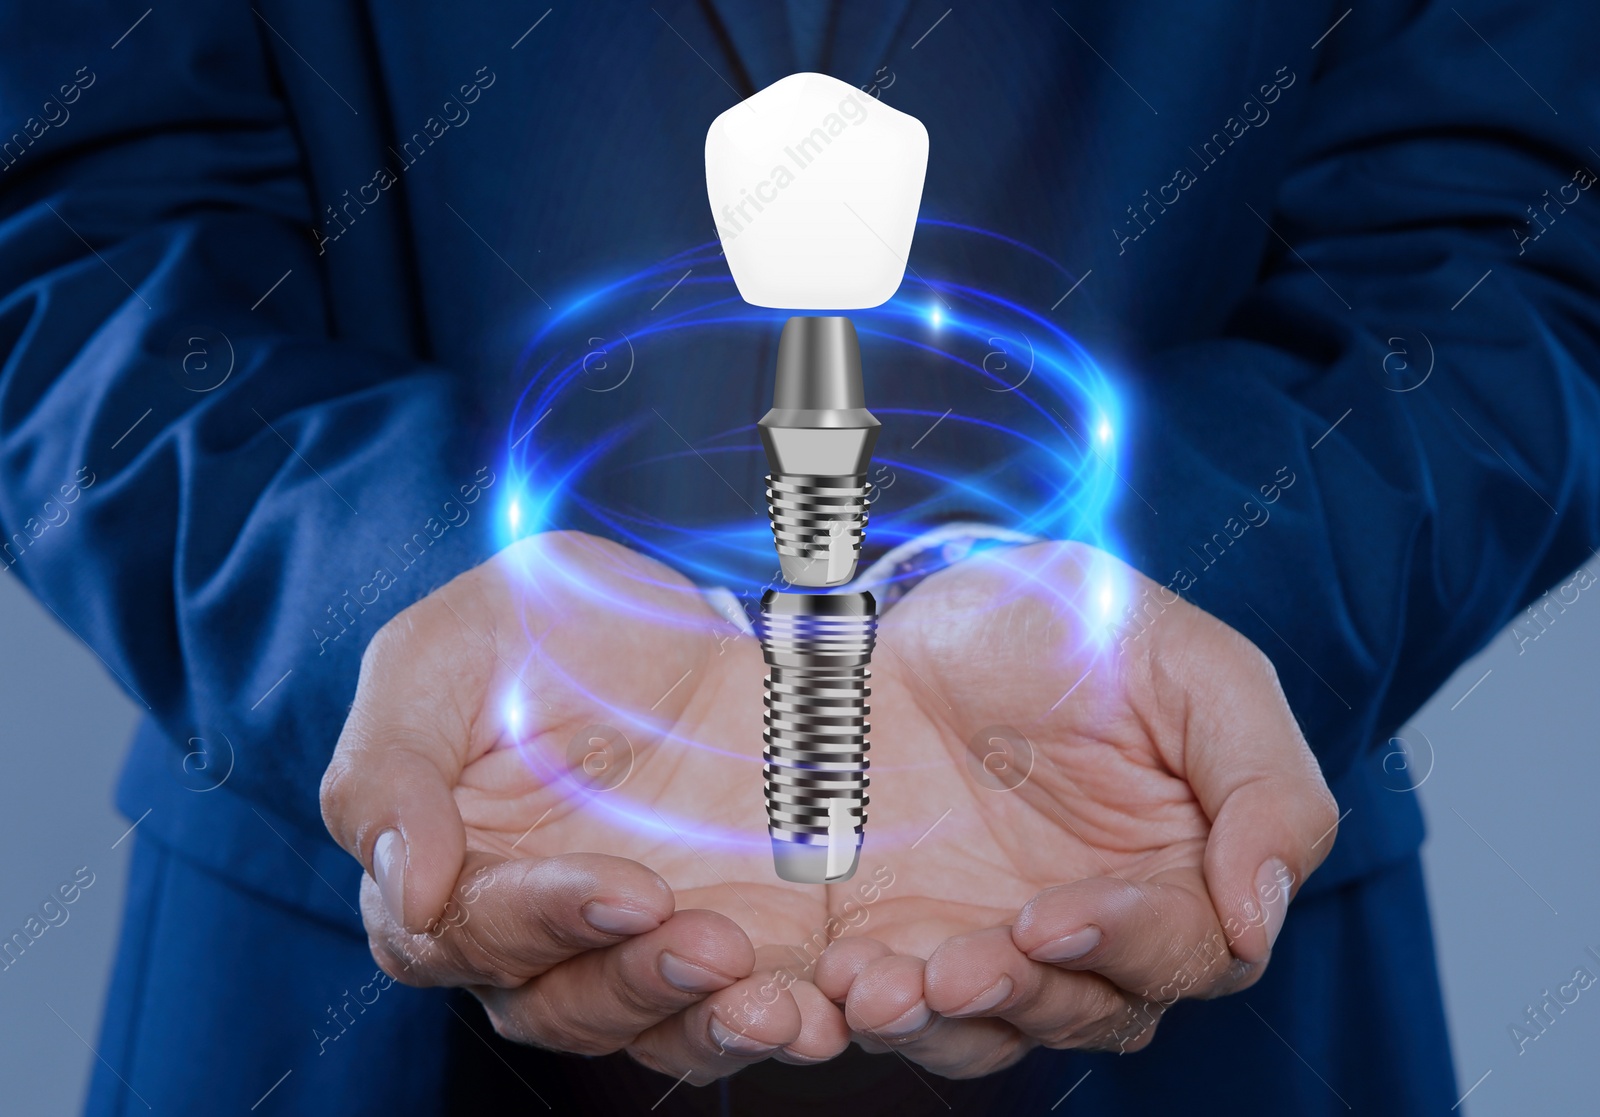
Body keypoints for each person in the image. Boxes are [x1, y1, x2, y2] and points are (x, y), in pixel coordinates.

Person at [1, 1, 1596, 1114]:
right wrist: (394, 601)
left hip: (1206, 1015)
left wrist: (1163, 605)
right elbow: (68, 225)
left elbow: (1518, 240)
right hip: (334, 1004)